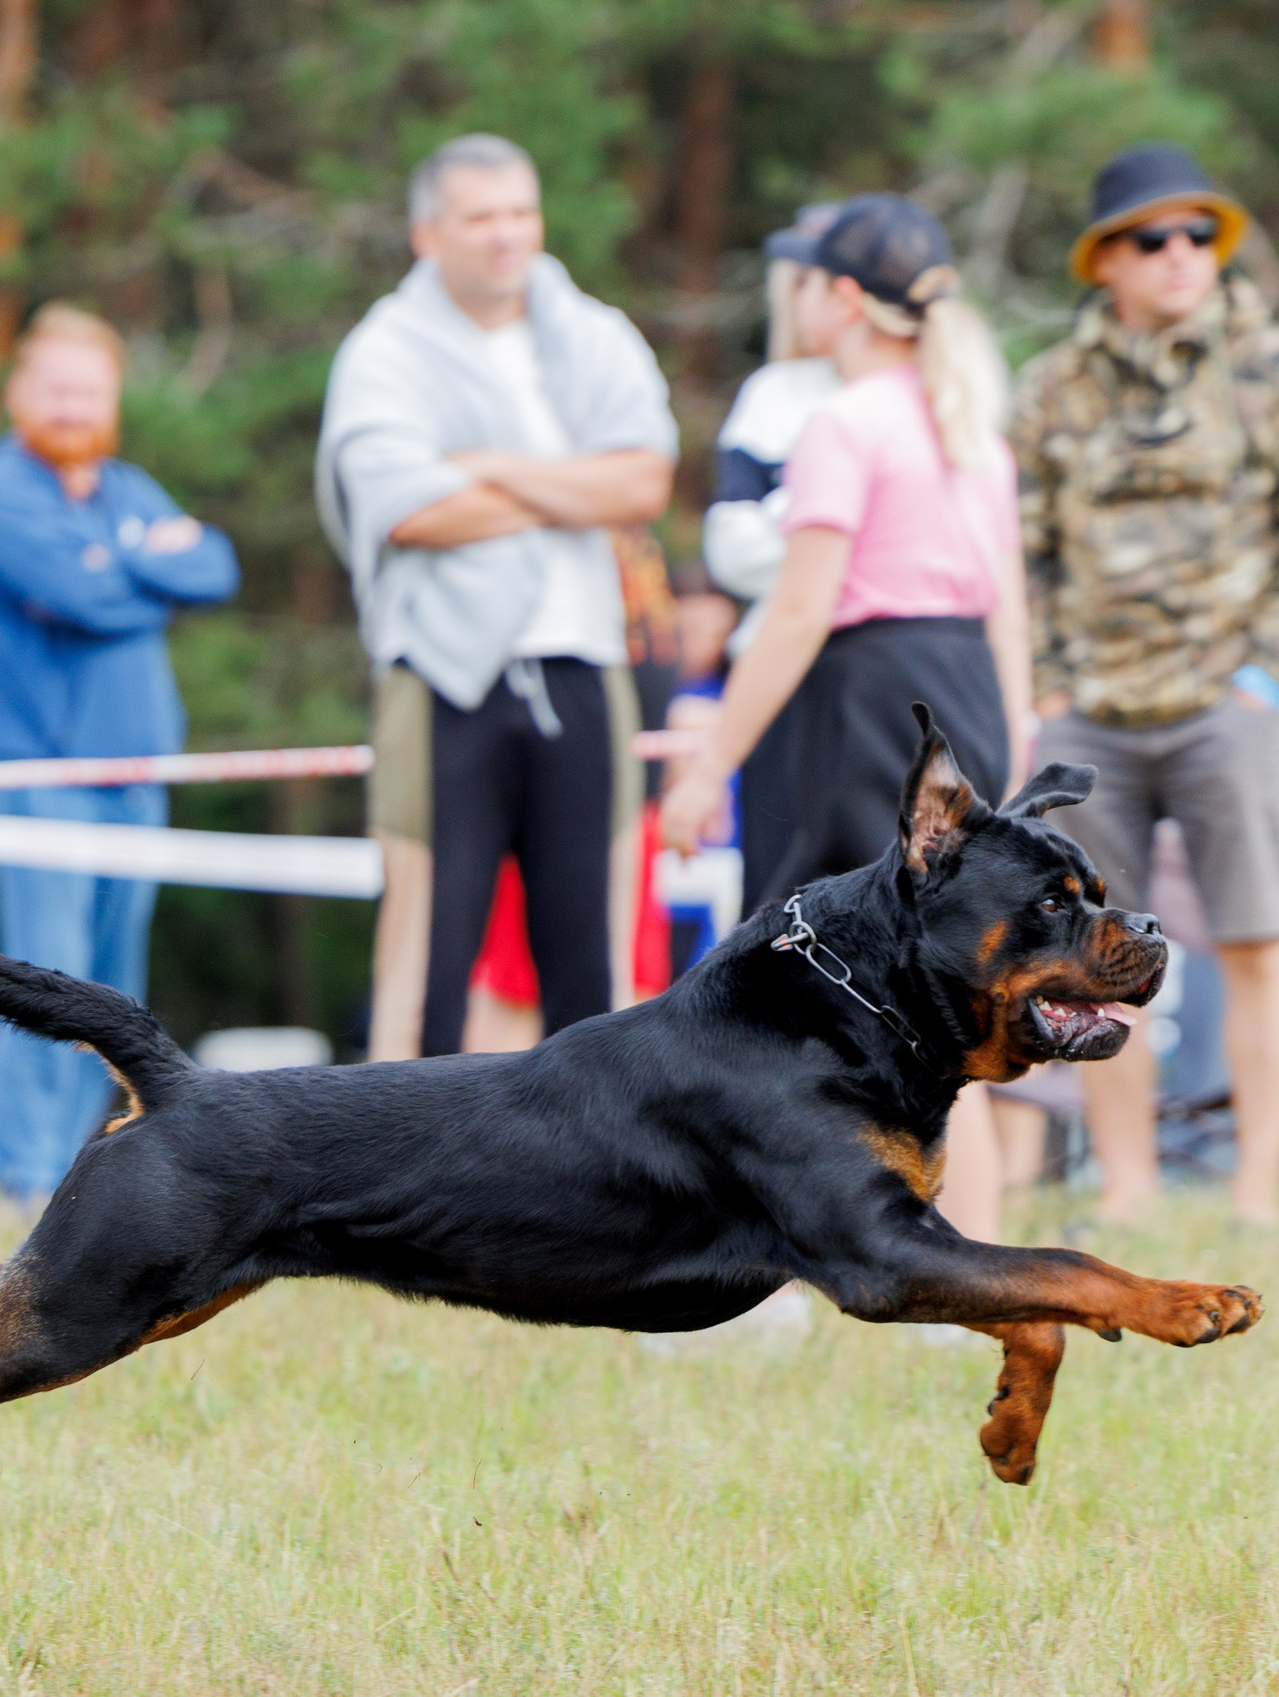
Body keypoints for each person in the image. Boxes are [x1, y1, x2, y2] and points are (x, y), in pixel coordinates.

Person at [657, 192, 1032, 1244]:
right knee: (949, 994)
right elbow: (1006, 613)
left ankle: (747, 1258)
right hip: (962, 703)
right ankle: (974, 1266)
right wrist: (1012, 740)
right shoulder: (971, 433)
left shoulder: (841, 423)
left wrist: (705, 765)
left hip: (862, 705)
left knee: (773, 986)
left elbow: (798, 610)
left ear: (846, 299)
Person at [1012, 143, 1279, 1228]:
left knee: (1260, 938)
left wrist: (1266, 672)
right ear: (1102, 262)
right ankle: (1129, 1189)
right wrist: (1045, 685)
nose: (1180, 255)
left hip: (1228, 702)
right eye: (1150, 238)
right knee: (1091, 959)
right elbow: (1016, 554)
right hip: (1092, 720)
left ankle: (1258, 1190)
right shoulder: (1050, 389)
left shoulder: (1274, 365)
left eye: (1197, 234)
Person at [316, 133, 677, 1062]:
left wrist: (493, 469)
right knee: (425, 961)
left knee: (590, 962)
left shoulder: (592, 334)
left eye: (521, 211)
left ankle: (597, 1188)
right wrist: (572, 486)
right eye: (481, 216)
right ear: (427, 233)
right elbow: (408, 508)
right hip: (442, 672)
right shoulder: (385, 352)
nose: (506, 235)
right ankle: (397, 1180)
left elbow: (642, 484)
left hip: (584, 665)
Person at [0, 304, 239, 1201]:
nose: (76, 407)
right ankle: (25, 1183)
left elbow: (217, 570)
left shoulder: (122, 488)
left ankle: (95, 1181)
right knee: (47, 983)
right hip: (43, 776)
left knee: (115, 995)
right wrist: (150, 568)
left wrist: (119, 563)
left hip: (136, 776)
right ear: (18, 394)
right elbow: (90, 600)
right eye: (58, 389)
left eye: (92, 390)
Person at [703, 204, 843, 915]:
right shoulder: (770, 398)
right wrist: (820, 527)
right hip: (776, 681)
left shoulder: (912, 398)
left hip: (877, 680)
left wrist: (789, 522)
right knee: (773, 894)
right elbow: (729, 550)